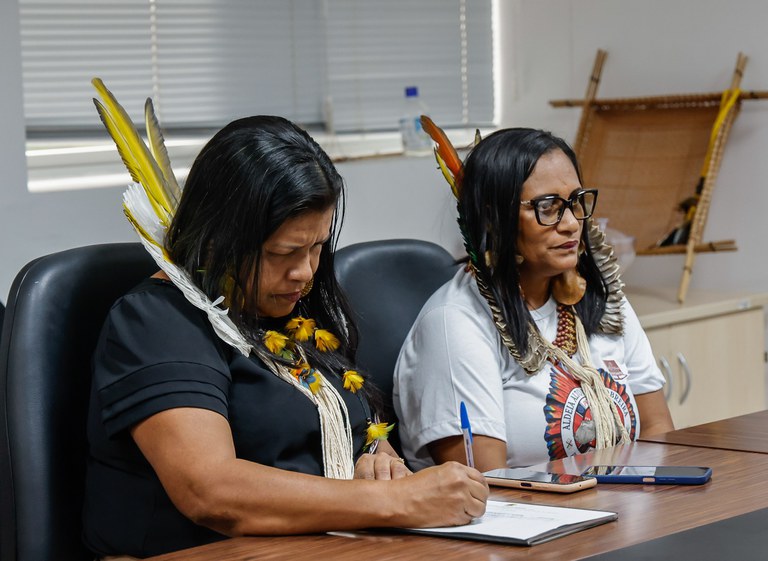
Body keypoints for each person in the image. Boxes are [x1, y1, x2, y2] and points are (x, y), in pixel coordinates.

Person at [83, 112, 488, 558]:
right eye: (284, 252)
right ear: (218, 237)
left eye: (317, 247)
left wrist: (383, 464)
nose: (306, 272)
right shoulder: (156, 322)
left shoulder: (285, 306)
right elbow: (210, 491)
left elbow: (349, 423)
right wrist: (397, 500)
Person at [393, 125, 674, 473]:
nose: (571, 223)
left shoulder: (602, 299)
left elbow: (658, 432)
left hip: (623, 514)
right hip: (535, 521)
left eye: (575, 202)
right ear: (494, 216)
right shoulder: (455, 324)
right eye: (548, 206)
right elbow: (488, 488)